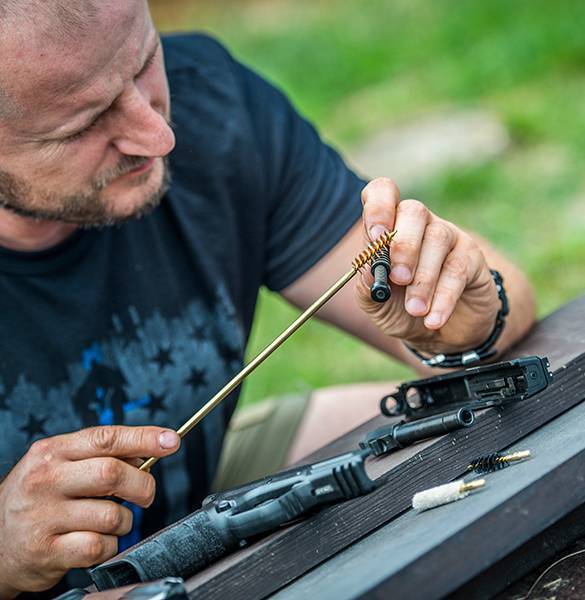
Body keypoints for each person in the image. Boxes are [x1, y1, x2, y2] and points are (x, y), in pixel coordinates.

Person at [0, 0, 536, 596]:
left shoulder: (213, 101)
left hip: (202, 483)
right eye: (81, 125)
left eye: (146, 63)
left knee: (466, 432)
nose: (158, 135)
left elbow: (497, 296)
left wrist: (465, 327)